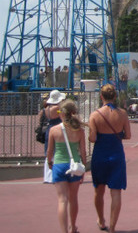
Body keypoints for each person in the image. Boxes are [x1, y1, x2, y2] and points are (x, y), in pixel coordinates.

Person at [89, 84, 131, 233]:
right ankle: (112, 227)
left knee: (98, 190)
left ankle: (101, 220)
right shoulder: (123, 114)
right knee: (116, 192)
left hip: (100, 154)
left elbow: (92, 139)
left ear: (101, 97)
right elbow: (128, 135)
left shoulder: (95, 115)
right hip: (116, 154)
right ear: (114, 97)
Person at [46, 99, 87, 233]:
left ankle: (64, 230)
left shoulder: (54, 130)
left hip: (59, 164)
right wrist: (84, 167)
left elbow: (50, 151)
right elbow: (83, 151)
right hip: (74, 165)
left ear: (62, 113)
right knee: (73, 198)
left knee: (62, 200)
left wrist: (49, 162)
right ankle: (73, 226)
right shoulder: (79, 131)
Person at [43, 90, 66, 183]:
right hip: (57, 129)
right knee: (56, 150)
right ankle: (53, 176)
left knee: (49, 150)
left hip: (49, 128)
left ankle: (47, 176)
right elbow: (63, 114)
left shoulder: (46, 109)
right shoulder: (57, 108)